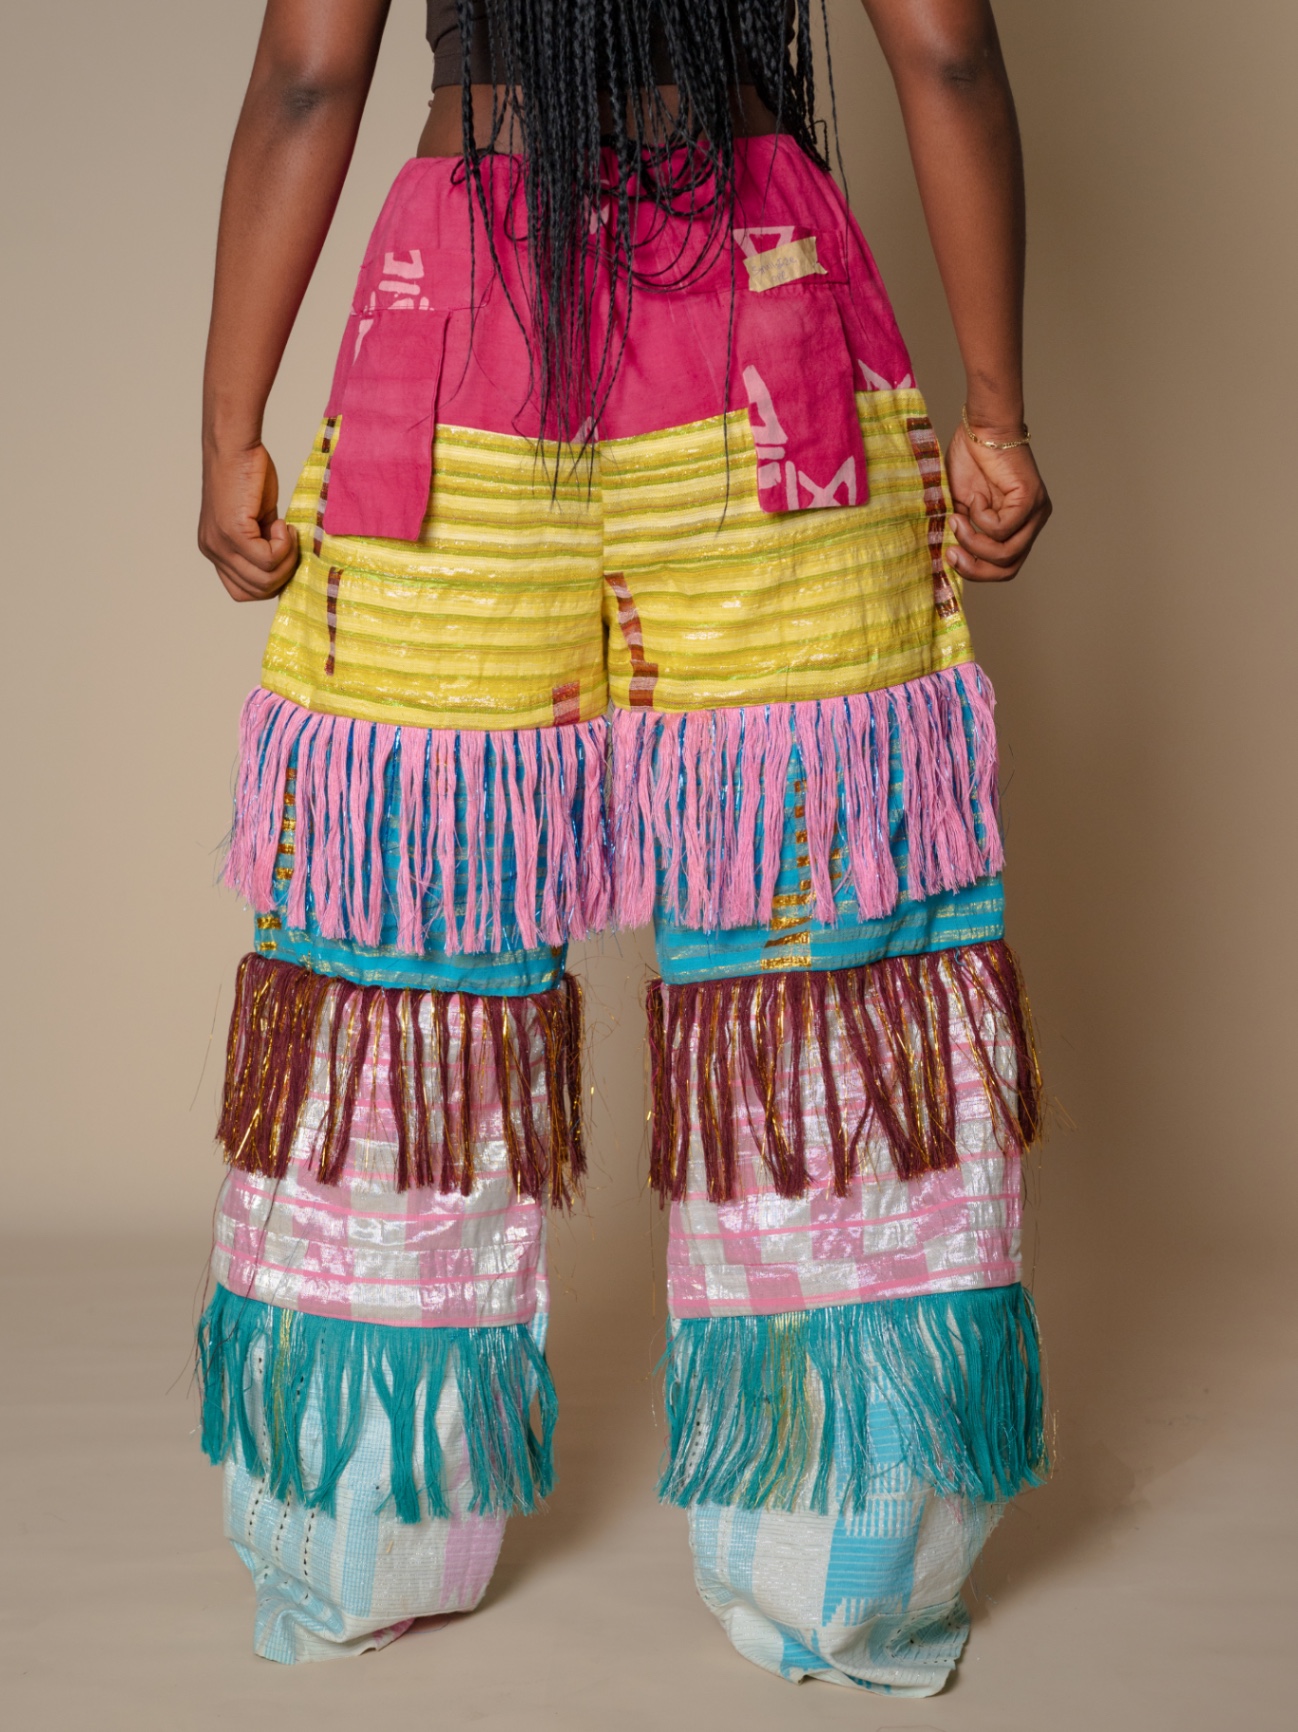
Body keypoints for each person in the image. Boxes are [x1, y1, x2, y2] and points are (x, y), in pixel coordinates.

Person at [196, 0, 1052, 1687]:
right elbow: (945, 52)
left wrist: (226, 431)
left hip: (457, 322)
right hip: (761, 317)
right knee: (823, 945)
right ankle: (838, 1572)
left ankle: (353, 1546)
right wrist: (997, 413)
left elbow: (307, 74)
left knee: (402, 949)